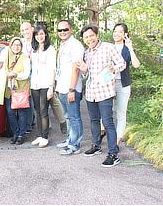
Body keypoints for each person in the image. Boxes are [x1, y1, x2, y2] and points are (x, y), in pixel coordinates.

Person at [77, 25, 126, 167]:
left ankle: (113, 154)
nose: (89, 39)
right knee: (93, 120)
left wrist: (114, 68)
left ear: (96, 35)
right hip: (91, 92)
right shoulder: (87, 53)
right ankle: (96, 145)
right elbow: (87, 75)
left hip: (105, 92)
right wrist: (84, 70)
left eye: (91, 35)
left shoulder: (108, 47)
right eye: (86, 37)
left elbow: (122, 63)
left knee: (108, 122)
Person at [55, 20, 85, 155]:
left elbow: (76, 68)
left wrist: (72, 89)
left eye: (65, 29)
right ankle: (70, 139)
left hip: (71, 88)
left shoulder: (76, 45)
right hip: (62, 87)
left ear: (70, 29)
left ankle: (75, 145)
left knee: (74, 117)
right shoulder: (63, 45)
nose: (62, 32)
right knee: (67, 116)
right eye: (60, 30)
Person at [112, 23, 140, 144]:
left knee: (121, 112)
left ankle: (117, 140)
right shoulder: (108, 48)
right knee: (108, 110)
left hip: (123, 84)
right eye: (115, 31)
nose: (116, 33)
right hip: (109, 84)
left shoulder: (127, 49)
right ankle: (105, 133)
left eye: (120, 31)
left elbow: (136, 64)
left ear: (125, 35)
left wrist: (130, 48)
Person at [29, 24, 56, 148]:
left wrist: (51, 87)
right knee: (37, 111)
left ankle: (45, 137)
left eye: (41, 34)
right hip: (34, 83)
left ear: (45, 34)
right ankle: (39, 135)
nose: (39, 36)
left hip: (46, 84)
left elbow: (52, 69)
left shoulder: (50, 49)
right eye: (37, 34)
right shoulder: (33, 49)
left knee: (44, 111)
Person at [0, 37, 30, 145]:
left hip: (20, 88)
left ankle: (22, 134)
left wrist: (15, 75)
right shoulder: (6, 56)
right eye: (14, 45)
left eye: (18, 45)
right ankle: (16, 133)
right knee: (10, 112)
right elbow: (1, 70)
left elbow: (26, 74)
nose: (16, 47)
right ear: (11, 46)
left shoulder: (25, 58)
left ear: (21, 47)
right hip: (9, 89)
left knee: (22, 113)